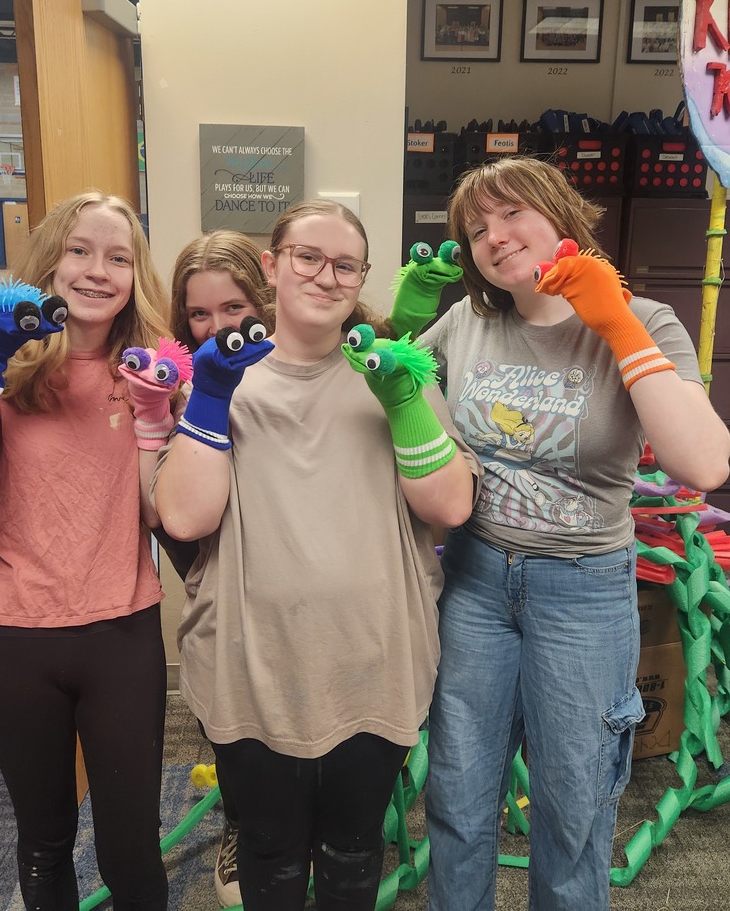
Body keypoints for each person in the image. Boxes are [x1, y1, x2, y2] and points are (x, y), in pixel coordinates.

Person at [417, 156, 730, 911]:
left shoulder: (644, 318)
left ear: (558, 214)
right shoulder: (467, 320)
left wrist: (616, 323)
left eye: (513, 213)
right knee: (458, 799)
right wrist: (403, 350)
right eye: (476, 229)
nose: (495, 237)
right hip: (476, 580)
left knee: (574, 807)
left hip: (582, 594)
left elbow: (704, 462)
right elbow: (398, 379)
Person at [153, 199, 479, 911]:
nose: (326, 276)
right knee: (268, 852)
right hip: (250, 663)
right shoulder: (219, 382)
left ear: (363, 276)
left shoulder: (398, 371)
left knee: (354, 849)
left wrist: (401, 399)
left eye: (346, 265)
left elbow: (450, 507)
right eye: (307, 257)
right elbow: (182, 514)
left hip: (374, 659)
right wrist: (210, 396)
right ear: (271, 266)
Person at [0, 190, 178, 911]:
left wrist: (154, 415)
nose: (97, 270)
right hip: (13, 636)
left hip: (120, 633)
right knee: (44, 840)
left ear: (134, 275)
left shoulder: (148, 372)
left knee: (130, 849)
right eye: (80, 251)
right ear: (50, 262)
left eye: (118, 257)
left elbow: (161, 515)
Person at [164, 228, 272, 908]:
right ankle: (242, 819)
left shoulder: (304, 363)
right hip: (218, 569)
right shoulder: (178, 382)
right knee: (227, 705)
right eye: (199, 315)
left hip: (298, 572)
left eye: (232, 309)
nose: (215, 327)